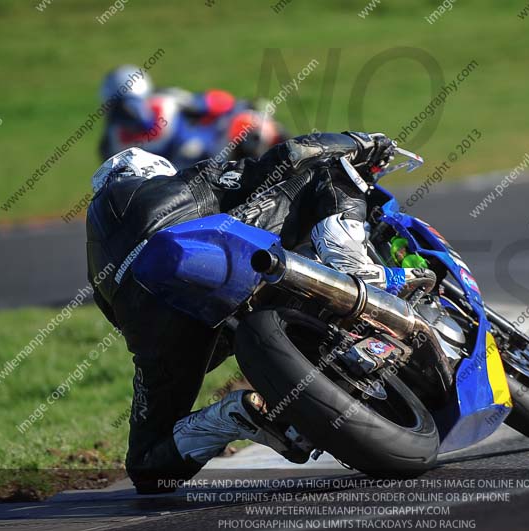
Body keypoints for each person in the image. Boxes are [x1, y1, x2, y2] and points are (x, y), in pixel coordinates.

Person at [86, 132, 436, 493]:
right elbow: (289, 155)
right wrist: (358, 143)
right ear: (152, 172)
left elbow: (121, 323)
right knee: (327, 168)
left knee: (146, 465)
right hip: (216, 258)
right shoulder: (181, 183)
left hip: (159, 327)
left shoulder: (95, 263)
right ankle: (353, 267)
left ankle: (230, 417)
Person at [98, 64, 286, 168]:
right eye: (120, 108)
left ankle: (292, 166)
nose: (129, 111)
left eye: (131, 104)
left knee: (250, 124)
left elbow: (211, 102)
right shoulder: (111, 144)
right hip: (176, 189)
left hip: (213, 151)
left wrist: (243, 106)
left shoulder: (167, 100)